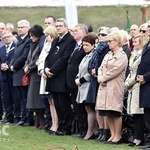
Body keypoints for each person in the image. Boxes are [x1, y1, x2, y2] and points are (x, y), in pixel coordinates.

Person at [45, 18, 76, 135]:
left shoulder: (70, 40)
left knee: (64, 104)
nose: (58, 28)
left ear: (66, 27)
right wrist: (46, 68)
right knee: (57, 104)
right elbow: (49, 56)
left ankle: (67, 128)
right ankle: (60, 126)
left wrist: (52, 70)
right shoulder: (56, 40)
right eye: (56, 26)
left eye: (60, 26)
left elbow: (65, 58)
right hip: (52, 76)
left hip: (61, 77)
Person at [96, 31, 128, 144]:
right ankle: (112, 134)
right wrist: (100, 76)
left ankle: (117, 135)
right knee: (107, 112)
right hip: (104, 86)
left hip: (114, 86)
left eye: (110, 41)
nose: (108, 43)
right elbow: (100, 67)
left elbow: (115, 71)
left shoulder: (122, 56)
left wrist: (103, 78)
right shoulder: (108, 54)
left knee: (115, 111)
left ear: (117, 41)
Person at [125, 33, 148, 147]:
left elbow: (138, 72)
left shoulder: (142, 56)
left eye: (136, 42)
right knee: (135, 114)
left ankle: (139, 138)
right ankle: (137, 137)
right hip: (133, 87)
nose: (133, 44)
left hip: (138, 86)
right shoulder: (135, 55)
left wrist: (128, 82)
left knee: (139, 114)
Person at [10, 20, 33, 125]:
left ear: (28, 28)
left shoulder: (28, 40)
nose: (19, 29)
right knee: (20, 98)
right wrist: (11, 65)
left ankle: (27, 119)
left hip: (22, 72)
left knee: (25, 97)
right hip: (16, 72)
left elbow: (24, 56)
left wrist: (14, 66)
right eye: (18, 27)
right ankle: (23, 117)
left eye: (22, 27)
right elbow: (14, 55)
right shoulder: (19, 40)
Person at [66, 23, 88, 138]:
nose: (74, 32)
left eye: (76, 31)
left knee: (82, 107)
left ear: (84, 33)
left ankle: (85, 129)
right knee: (76, 107)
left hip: (80, 81)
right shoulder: (75, 45)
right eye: (73, 31)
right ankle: (81, 129)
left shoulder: (84, 46)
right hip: (72, 81)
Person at [37, 25, 59, 132]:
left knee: (54, 101)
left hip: (51, 75)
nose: (46, 38)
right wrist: (41, 70)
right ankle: (53, 124)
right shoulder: (46, 45)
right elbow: (41, 59)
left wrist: (47, 70)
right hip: (44, 75)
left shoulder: (54, 46)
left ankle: (56, 124)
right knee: (50, 102)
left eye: (48, 35)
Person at [91, 27, 110, 142]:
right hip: (95, 79)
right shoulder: (97, 48)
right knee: (98, 107)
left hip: (104, 80)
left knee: (105, 107)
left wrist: (97, 71)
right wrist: (92, 70)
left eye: (103, 34)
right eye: (99, 34)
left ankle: (106, 131)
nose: (101, 36)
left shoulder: (108, 48)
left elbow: (106, 65)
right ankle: (101, 130)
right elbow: (91, 62)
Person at [24, 25, 45, 129]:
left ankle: (42, 120)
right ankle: (38, 120)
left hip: (37, 75)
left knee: (37, 100)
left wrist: (29, 66)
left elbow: (37, 60)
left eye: (33, 35)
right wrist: (26, 66)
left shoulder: (40, 45)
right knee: (32, 99)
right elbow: (29, 58)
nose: (31, 37)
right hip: (32, 74)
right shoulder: (32, 45)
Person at [75, 34, 95, 140]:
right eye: (83, 45)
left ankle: (90, 131)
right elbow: (81, 70)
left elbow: (91, 70)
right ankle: (94, 130)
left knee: (90, 109)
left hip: (88, 85)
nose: (84, 47)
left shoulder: (93, 56)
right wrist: (77, 78)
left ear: (93, 45)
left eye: (87, 45)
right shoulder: (85, 56)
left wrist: (81, 80)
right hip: (82, 85)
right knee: (87, 109)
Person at [136, 21, 150, 149]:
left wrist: (145, 77)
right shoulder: (146, 45)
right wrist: (138, 75)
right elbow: (142, 63)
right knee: (147, 114)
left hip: (148, 81)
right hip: (145, 85)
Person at [0, 30, 16, 123]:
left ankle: (17, 116)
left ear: (11, 36)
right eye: (4, 38)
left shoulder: (16, 47)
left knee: (16, 97)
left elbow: (17, 59)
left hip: (13, 75)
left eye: (8, 37)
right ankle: (8, 117)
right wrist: (1, 66)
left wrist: (8, 65)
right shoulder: (1, 49)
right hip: (4, 76)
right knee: (6, 98)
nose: (6, 39)